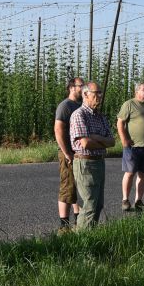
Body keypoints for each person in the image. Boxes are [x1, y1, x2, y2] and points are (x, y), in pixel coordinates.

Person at [69, 82, 115, 229]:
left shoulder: (100, 117)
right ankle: (81, 237)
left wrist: (97, 138)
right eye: (96, 93)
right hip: (85, 163)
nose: (99, 97)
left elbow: (112, 141)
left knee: (98, 204)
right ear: (85, 94)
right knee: (90, 204)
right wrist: (101, 141)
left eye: (100, 93)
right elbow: (85, 143)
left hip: (99, 162)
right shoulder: (79, 115)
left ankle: (91, 233)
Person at [116, 81, 144, 212]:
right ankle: (125, 199)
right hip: (133, 146)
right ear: (137, 91)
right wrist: (124, 139)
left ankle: (138, 201)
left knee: (143, 174)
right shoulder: (129, 104)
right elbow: (120, 123)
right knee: (130, 173)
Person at [54, 78, 84, 231]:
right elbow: (58, 130)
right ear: (72, 87)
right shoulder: (65, 106)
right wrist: (66, 153)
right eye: (81, 86)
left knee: (77, 185)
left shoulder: (79, 105)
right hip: (68, 153)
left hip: (78, 153)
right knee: (67, 186)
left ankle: (78, 218)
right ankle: (64, 224)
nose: (83, 89)